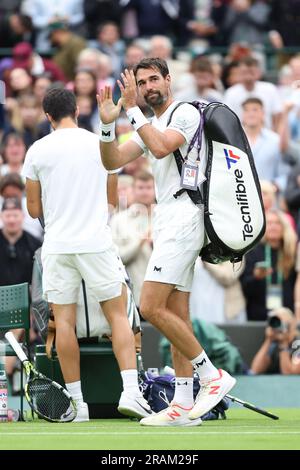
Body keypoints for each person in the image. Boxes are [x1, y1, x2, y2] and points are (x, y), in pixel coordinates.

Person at [97, 57, 236, 426]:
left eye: (153, 79)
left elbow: (160, 148)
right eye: (141, 83)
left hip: (186, 217)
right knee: (176, 314)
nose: (147, 87)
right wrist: (108, 123)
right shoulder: (152, 123)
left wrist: (131, 110)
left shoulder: (186, 112)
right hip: (170, 219)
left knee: (150, 307)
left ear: (169, 79)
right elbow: (111, 161)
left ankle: (211, 375)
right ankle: (182, 406)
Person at [21, 87, 151, 422]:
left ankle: (78, 405)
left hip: (58, 245)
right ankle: (132, 393)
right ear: (77, 110)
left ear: (48, 115)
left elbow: (33, 209)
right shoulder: (99, 141)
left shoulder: (36, 150)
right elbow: (111, 198)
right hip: (96, 242)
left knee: (63, 324)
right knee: (118, 317)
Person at [250, 307, 300, 375]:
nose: (277, 325)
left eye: (280, 321)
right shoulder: (273, 342)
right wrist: (268, 340)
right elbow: (255, 370)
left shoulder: (297, 343)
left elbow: (290, 374)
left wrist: (283, 345)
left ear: (291, 325)